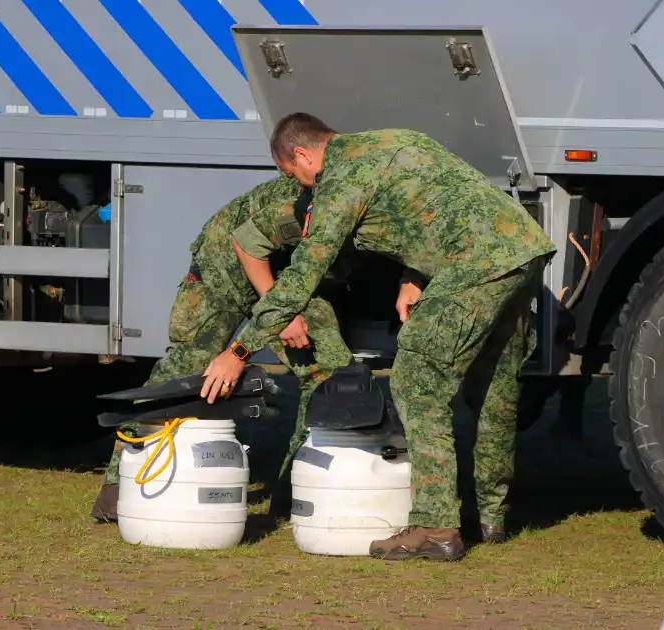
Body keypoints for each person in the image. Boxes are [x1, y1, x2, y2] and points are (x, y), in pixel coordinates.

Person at [199, 114, 555, 562]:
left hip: (477, 263)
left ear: (304, 154)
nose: (304, 188)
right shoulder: (398, 137)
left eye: (297, 176)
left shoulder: (340, 178)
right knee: (494, 387)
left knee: (416, 379)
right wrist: (414, 273)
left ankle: (436, 527)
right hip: (522, 246)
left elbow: (302, 276)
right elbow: (438, 205)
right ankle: (492, 518)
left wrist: (239, 350)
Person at [90, 175, 353, 523]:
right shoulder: (312, 199)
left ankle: (295, 494)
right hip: (225, 265)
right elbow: (249, 244)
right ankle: (118, 486)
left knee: (325, 370)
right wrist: (283, 312)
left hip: (288, 273)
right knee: (185, 366)